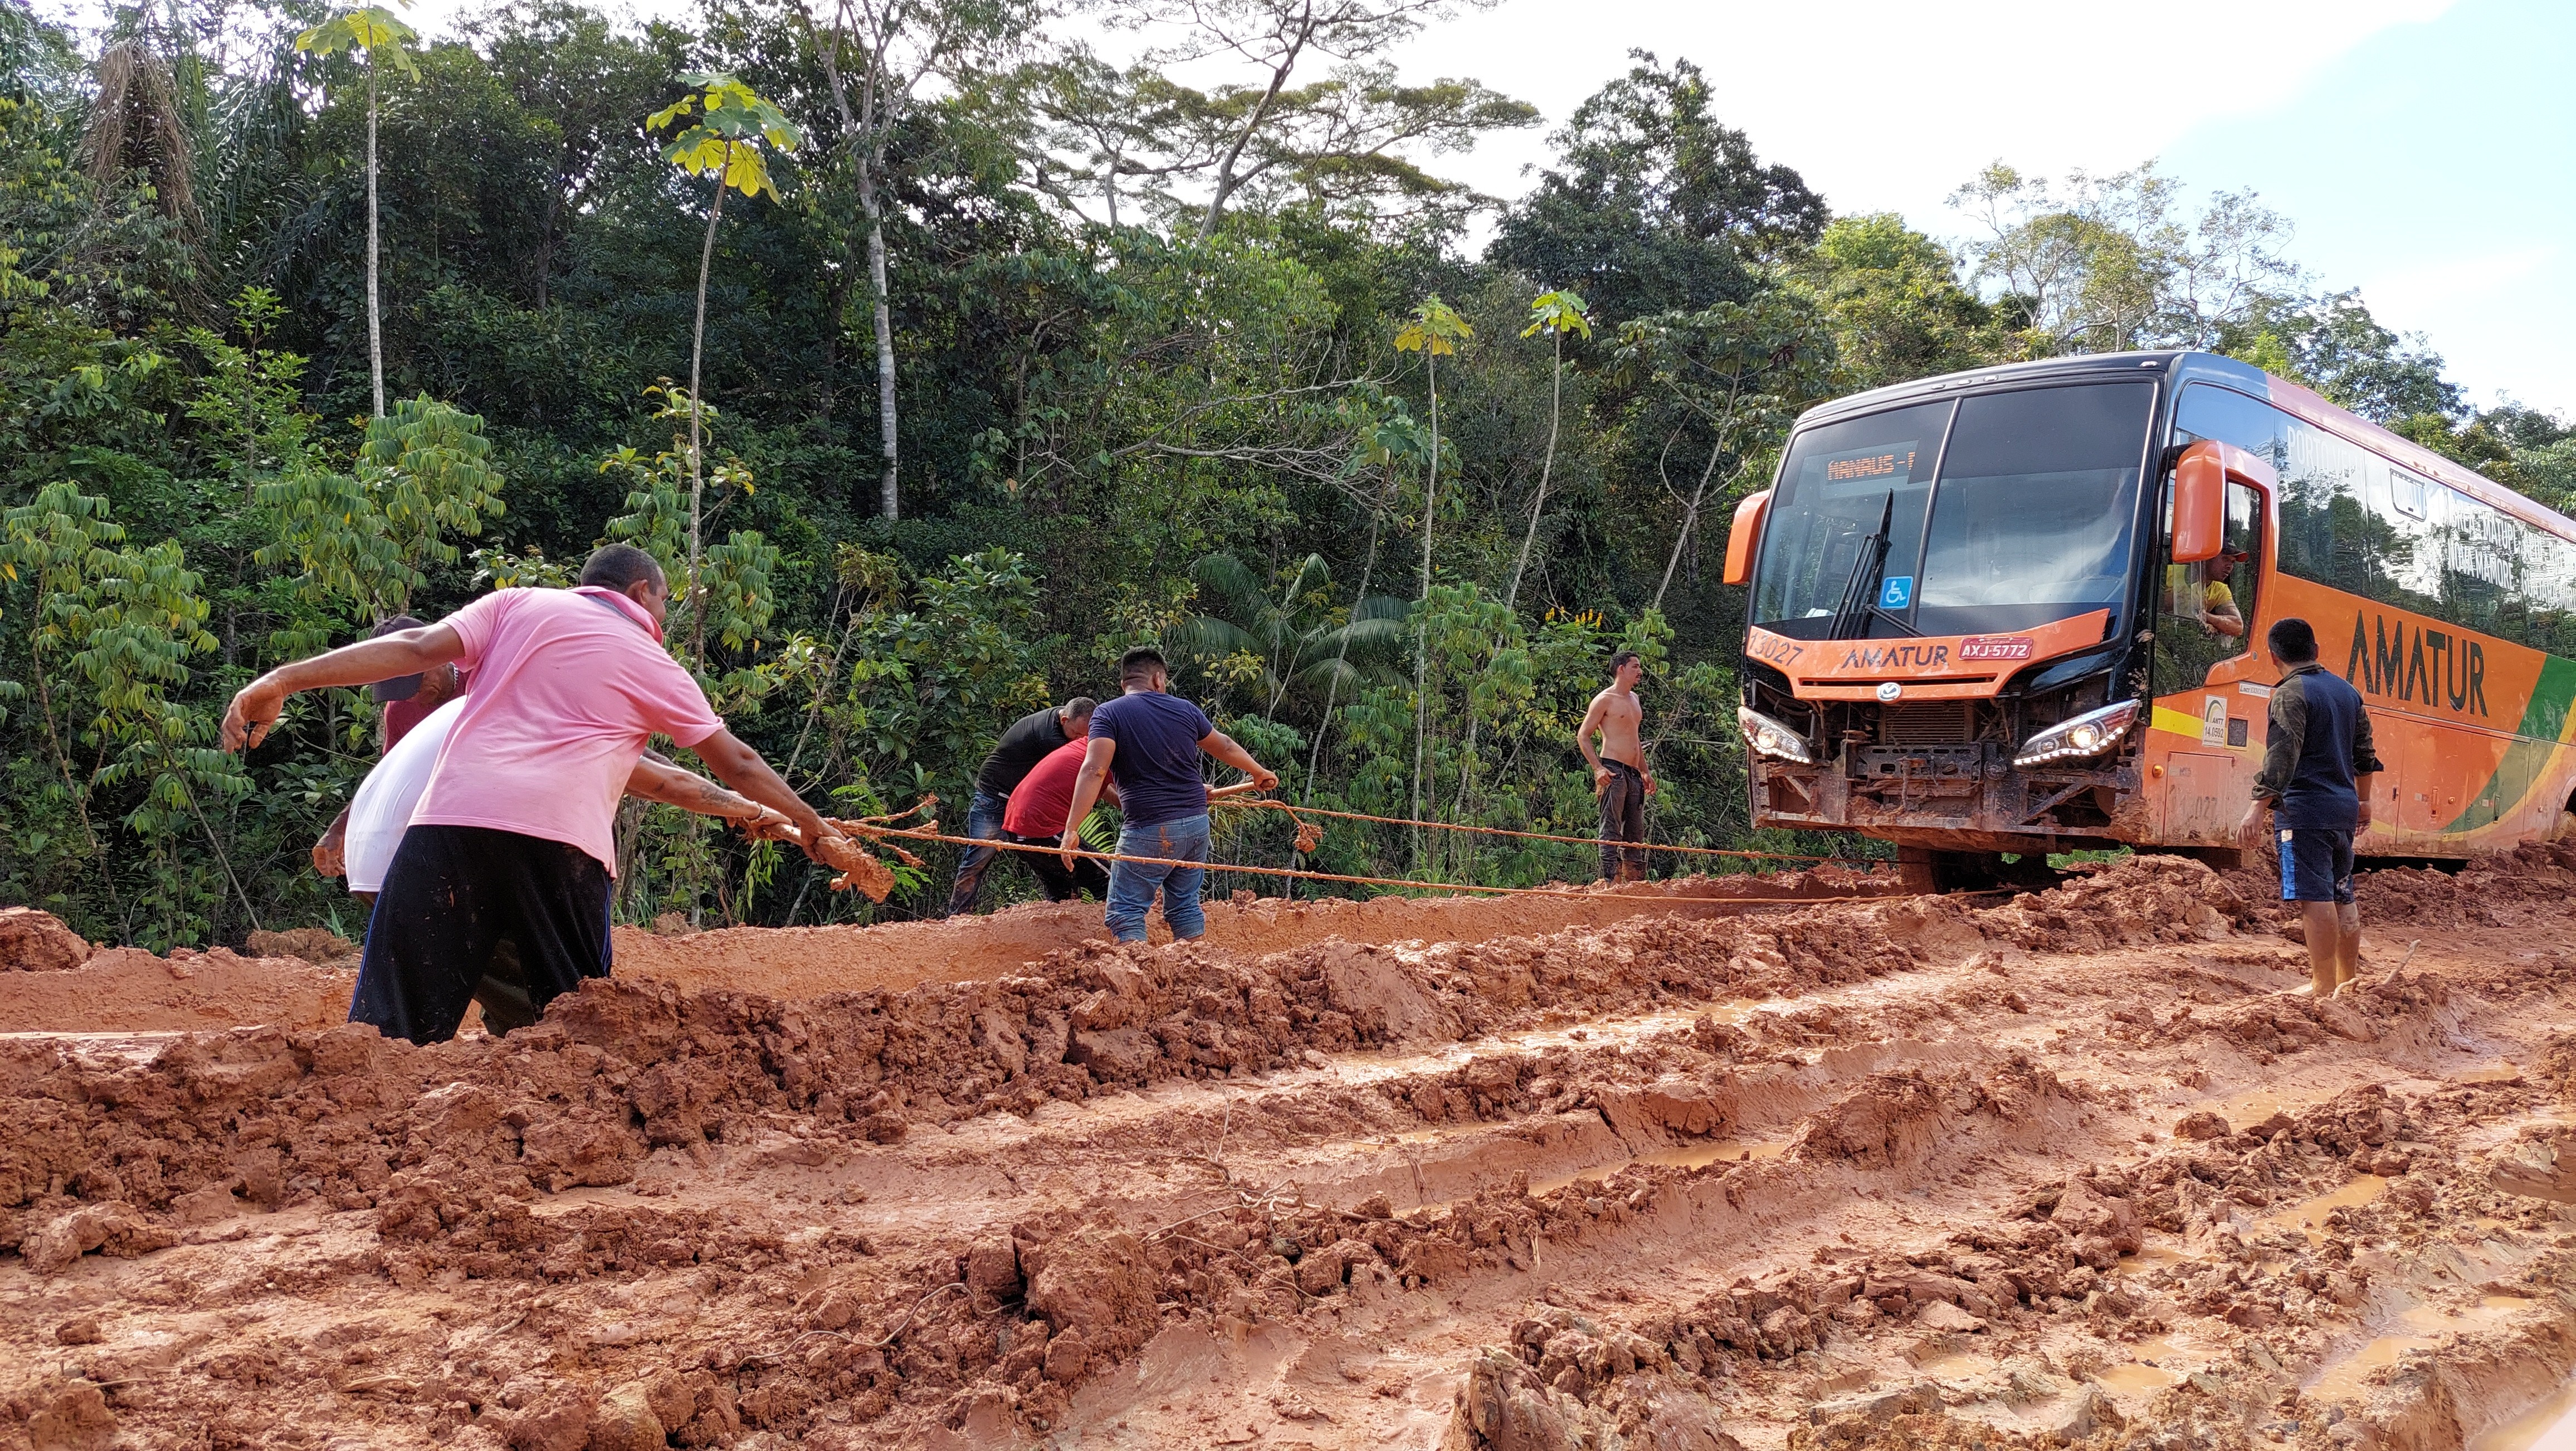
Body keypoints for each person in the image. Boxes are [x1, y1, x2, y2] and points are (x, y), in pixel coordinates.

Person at [221, 543, 854, 1044]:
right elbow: (735, 762)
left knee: (390, 1032)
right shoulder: (655, 664)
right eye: (666, 603)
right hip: (560, 847)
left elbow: (413, 648)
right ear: (641, 594)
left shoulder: (513, 606)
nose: (665, 618)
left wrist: (282, 679)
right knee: (579, 1025)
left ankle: (362, 1157)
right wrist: (813, 825)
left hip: (447, 831)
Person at [334, 688, 797, 1033]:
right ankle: (555, 1078)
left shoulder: (499, 700)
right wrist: (751, 807)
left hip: (375, 857)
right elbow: (662, 782)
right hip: (433, 850)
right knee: (563, 1009)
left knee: (426, 1002)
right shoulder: (553, 716)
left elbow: (652, 768)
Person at [1057, 647, 1277, 943]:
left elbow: (1095, 770)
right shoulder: (1185, 709)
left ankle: (1136, 980)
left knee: (1126, 911)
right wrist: (1258, 771)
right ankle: (1198, 973)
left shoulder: (1109, 714)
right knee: (1185, 905)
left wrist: (1072, 829)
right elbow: (1223, 745)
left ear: (1124, 684)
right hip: (1196, 825)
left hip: (1149, 829)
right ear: (1158, 679)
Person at [2237, 616, 2383, 996]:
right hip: (2343, 809)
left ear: (2273, 657)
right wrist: (2364, 800)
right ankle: (2348, 981)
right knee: (2342, 893)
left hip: (2305, 811)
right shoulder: (2347, 692)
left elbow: (2282, 756)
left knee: (2315, 898)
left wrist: (2256, 809)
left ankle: (2322, 985)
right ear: (2316, 651)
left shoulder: (2289, 694)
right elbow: (2364, 754)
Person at [310, 613, 469, 880]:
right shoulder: (399, 710)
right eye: (400, 689)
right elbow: (388, 778)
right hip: (443, 820)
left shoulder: (481, 676)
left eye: (413, 684)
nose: (413, 697)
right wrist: (340, 828)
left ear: (438, 657)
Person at [945, 697, 1097, 916]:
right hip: (996, 797)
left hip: (1025, 804)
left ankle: (1062, 908)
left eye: (1086, 736)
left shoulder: (1062, 722)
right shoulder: (1050, 738)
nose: (1082, 741)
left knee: (1048, 855)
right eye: (1077, 735)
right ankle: (958, 915)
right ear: (1064, 720)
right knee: (978, 857)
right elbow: (1086, 770)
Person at [1578, 650, 1656, 883]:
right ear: (1621, 669)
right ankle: (1609, 881)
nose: (1640, 672)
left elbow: (1635, 739)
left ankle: (1634, 883)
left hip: (1633, 773)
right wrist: (1598, 768)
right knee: (1611, 827)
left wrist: (1645, 770)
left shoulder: (1635, 699)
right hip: (1613, 769)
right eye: (1635, 667)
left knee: (1635, 831)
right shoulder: (1605, 699)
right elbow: (1583, 736)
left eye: (1640, 667)